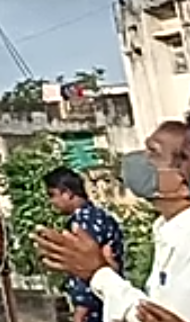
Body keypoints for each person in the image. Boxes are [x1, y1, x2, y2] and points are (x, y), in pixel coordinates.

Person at [38, 121, 190, 322]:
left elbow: (152, 315)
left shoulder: (86, 221)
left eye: (153, 152)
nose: (140, 159)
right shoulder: (166, 229)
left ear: (183, 181)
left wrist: (97, 273)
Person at [42, 166, 126, 322]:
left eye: (52, 195)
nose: (51, 202)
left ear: (67, 193)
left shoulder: (85, 223)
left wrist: (81, 311)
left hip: (96, 307)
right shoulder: (96, 216)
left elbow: (89, 268)